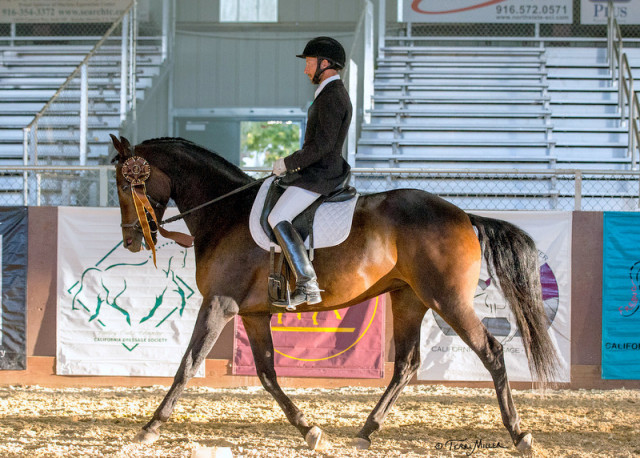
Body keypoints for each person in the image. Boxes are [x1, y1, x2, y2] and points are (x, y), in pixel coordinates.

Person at [268, 36, 353, 309]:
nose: (306, 69)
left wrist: (288, 162)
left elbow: (323, 145)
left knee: (277, 216)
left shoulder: (333, 96)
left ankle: (307, 283)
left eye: (309, 62)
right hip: (318, 170)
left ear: (324, 64)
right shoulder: (329, 93)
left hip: (321, 174)